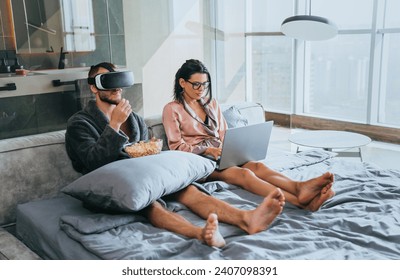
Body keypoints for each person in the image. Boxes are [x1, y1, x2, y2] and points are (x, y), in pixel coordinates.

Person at [65, 62, 285, 248]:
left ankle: (246, 219)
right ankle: (199, 234)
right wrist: (113, 126)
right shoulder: (79, 123)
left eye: (118, 80)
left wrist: (150, 150)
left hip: (145, 175)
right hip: (111, 185)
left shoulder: (136, 120)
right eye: (107, 81)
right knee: (151, 205)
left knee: (189, 191)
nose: (116, 88)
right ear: (94, 88)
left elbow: (143, 150)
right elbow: (92, 162)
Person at [162, 59, 335, 212]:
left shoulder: (211, 103)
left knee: (258, 167)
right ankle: (300, 202)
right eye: (196, 84)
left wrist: (233, 149)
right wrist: (208, 151)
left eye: (205, 84)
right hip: (200, 161)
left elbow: (223, 133)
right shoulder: (172, 109)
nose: (201, 89)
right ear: (182, 83)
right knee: (244, 175)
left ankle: (299, 187)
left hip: (221, 154)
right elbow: (176, 147)